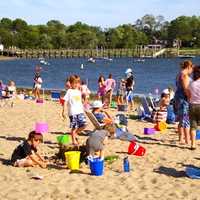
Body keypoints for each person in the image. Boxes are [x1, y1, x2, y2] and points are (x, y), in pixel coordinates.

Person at [62, 75, 87, 145]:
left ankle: (75, 133)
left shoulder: (78, 91)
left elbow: (80, 101)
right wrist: (63, 111)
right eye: (74, 83)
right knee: (74, 127)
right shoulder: (69, 91)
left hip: (80, 111)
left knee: (84, 125)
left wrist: (84, 104)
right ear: (71, 83)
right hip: (73, 112)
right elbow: (65, 101)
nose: (76, 84)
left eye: (78, 83)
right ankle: (74, 140)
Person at [174, 60, 193, 144]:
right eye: (192, 68)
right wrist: (190, 99)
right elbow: (186, 89)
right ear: (189, 67)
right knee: (186, 119)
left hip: (178, 98)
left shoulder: (179, 74)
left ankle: (181, 138)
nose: (192, 71)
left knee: (182, 120)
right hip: (183, 99)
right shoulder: (184, 75)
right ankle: (187, 140)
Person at [188, 65, 200, 150]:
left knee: (193, 126)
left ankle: (193, 144)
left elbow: (188, 95)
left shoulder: (191, 83)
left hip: (192, 105)